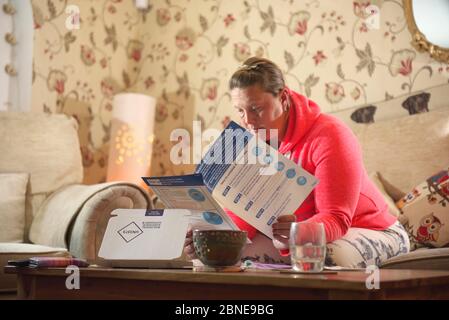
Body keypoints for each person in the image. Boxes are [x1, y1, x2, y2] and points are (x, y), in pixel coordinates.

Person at [184, 57, 410, 268]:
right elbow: (246, 215)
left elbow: (336, 218)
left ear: (282, 98)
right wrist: (210, 237)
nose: (248, 121)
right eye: (241, 111)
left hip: (374, 230)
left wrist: (298, 233)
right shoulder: (256, 142)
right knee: (216, 258)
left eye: (256, 109)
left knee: (318, 254)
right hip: (299, 235)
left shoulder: (330, 134)